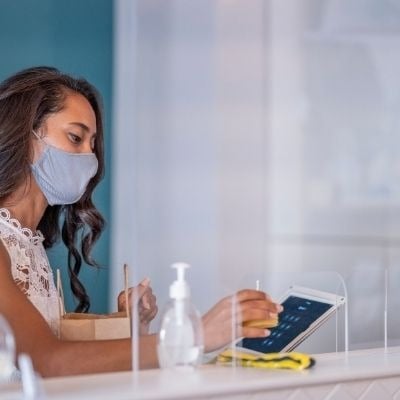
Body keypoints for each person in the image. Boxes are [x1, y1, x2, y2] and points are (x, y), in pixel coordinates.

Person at [0, 66, 283, 377]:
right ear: (25, 135)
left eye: (92, 145)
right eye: (75, 137)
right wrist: (193, 336)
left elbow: (57, 355)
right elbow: (47, 362)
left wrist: (129, 326)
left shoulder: (26, 242)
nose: (90, 161)